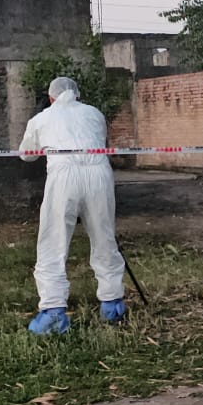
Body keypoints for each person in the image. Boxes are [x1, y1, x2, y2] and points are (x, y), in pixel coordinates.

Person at [19, 77, 126, 333]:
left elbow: (26, 154)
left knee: (53, 241)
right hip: (99, 174)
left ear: (51, 96)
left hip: (63, 176)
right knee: (104, 237)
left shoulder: (41, 119)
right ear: (77, 94)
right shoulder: (94, 114)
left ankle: (54, 312)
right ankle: (113, 305)